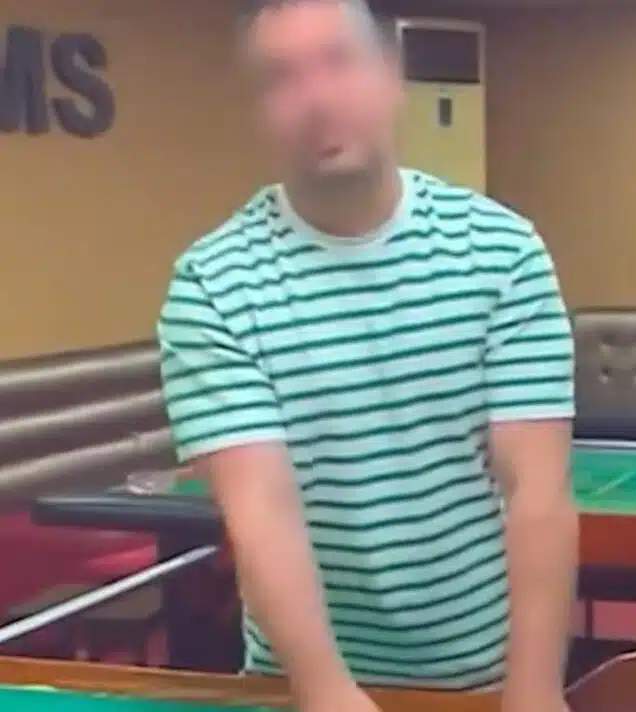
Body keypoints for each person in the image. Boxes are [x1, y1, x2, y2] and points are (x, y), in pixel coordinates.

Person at [155, 1, 577, 711]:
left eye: (338, 62)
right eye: (282, 78)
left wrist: (534, 692)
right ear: (258, 111)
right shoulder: (211, 285)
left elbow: (536, 490)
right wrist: (327, 694)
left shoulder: (503, 252)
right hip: (299, 685)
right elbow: (262, 513)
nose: (317, 98)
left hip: (481, 678)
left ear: (391, 76)